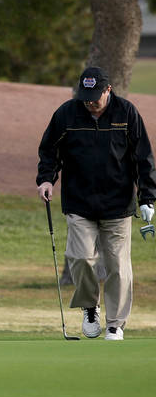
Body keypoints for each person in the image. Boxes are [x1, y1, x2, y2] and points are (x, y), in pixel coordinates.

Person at [37, 65, 156, 341]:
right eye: (85, 95)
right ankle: (90, 307)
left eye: (95, 96)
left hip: (118, 203)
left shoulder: (126, 113)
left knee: (117, 265)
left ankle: (115, 323)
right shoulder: (67, 113)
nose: (90, 102)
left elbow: (143, 158)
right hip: (79, 201)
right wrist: (45, 179)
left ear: (108, 90)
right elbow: (49, 150)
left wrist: (147, 197)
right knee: (80, 259)